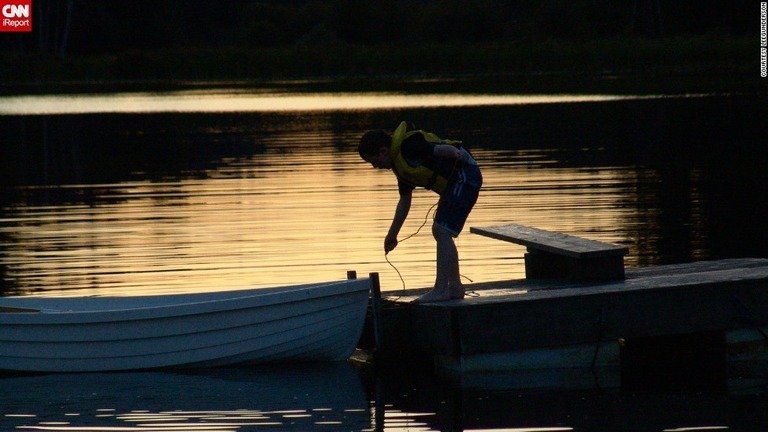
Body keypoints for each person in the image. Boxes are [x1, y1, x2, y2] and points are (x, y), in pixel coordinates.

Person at [358, 121, 482, 302]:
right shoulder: (400, 166)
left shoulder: (408, 147)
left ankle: (441, 289)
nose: (375, 166)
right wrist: (392, 235)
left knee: (442, 230)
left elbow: (438, 149)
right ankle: (454, 287)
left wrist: (456, 154)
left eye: (374, 162)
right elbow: (404, 202)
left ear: (383, 151)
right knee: (439, 230)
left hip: (465, 174)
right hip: (456, 183)